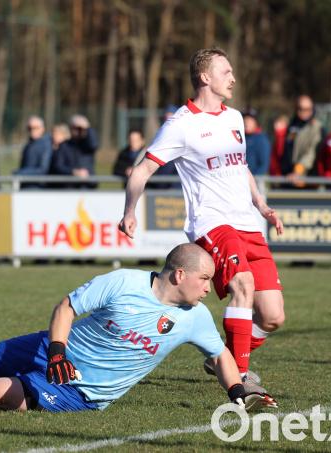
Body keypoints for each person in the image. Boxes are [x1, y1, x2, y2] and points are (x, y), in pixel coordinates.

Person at [0, 243, 277, 413]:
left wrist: (236, 391)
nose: (212, 287)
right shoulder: (124, 282)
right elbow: (67, 307)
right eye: (206, 279)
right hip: (54, 351)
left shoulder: (196, 318)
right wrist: (56, 352)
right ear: (179, 275)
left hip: (81, 391)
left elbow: (220, 354)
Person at [119, 48, 286, 387]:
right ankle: (238, 376)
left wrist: (261, 205)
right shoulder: (181, 125)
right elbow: (143, 169)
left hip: (247, 223)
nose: (233, 78)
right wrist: (129, 211)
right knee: (243, 284)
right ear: (205, 77)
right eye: (227, 72)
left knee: (272, 316)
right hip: (212, 222)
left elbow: (241, 167)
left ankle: (223, 357)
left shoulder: (235, 118)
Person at [281, 95, 323, 186]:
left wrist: (298, 171)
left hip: (306, 179)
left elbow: (311, 153)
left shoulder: (316, 128)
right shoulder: (292, 125)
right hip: (288, 177)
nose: (303, 112)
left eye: (307, 109)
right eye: (300, 108)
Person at [14, 116, 52, 187]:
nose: (32, 130)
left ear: (42, 129)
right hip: (25, 185)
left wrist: (21, 173)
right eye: (29, 128)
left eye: (35, 128)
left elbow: (43, 169)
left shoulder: (46, 145)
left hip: (38, 187)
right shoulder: (28, 145)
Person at [243, 110, 271, 176]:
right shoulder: (240, 138)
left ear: (255, 122)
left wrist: (252, 179)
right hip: (241, 180)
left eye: (250, 121)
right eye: (245, 120)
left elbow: (264, 165)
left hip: (256, 180)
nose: (246, 123)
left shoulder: (261, 139)